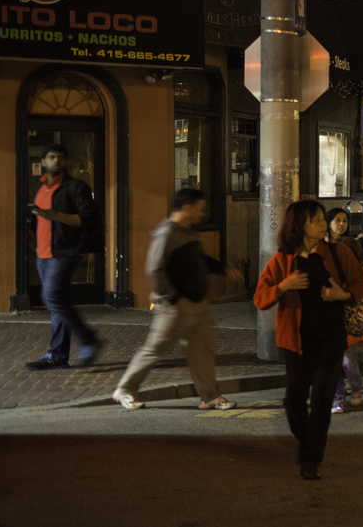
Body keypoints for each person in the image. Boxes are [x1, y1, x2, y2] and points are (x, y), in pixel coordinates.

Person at [254, 200, 363, 480]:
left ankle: (311, 460)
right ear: (299, 225)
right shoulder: (282, 260)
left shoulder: (338, 252)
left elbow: (360, 283)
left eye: (321, 219)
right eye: (315, 219)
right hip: (297, 343)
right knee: (293, 401)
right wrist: (283, 286)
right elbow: (260, 298)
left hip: (331, 340)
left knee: (321, 402)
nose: (322, 224)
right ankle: (307, 442)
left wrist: (344, 295)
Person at [112, 188, 239, 411]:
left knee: (202, 351)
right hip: (177, 306)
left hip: (197, 303)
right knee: (155, 349)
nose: (201, 213)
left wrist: (220, 267)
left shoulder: (187, 231)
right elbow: (154, 268)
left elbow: (196, 259)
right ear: (186, 207)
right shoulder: (166, 233)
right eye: (199, 208)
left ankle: (209, 396)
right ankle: (125, 389)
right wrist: (171, 297)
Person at [25, 143, 103, 371]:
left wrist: (55, 215)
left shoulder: (75, 187)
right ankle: (58, 355)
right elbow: (35, 218)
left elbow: (87, 219)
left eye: (60, 157)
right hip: (43, 253)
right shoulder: (38, 188)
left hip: (65, 251)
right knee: (58, 303)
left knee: (52, 297)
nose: (56, 161)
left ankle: (89, 338)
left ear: (66, 162)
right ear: (44, 161)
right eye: (51, 157)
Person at [326, 207, 363, 413]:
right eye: (337, 220)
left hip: (348, 312)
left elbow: (360, 278)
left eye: (344, 220)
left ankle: (357, 388)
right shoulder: (320, 248)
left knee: (349, 361)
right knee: (334, 361)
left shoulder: (350, 245)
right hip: (329, 313)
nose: (341, 224)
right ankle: (337, 399)